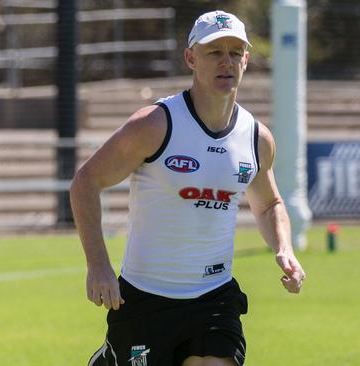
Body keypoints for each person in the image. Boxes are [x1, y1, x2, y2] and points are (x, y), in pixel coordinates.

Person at [70, 10, 306, 366]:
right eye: (214, 52)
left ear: (246, 59)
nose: (226, 62)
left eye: (235, 52)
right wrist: (98, 265)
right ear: (191, 58)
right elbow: (85, 182)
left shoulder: (256, 139)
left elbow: (269, 204)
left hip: (214, 299)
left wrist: (283, 249)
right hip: (145, 298)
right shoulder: (154, 124)